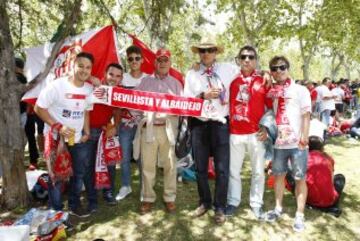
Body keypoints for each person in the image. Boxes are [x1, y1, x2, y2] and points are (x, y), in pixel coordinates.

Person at [184, 37, 238, 224]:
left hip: (221, 123)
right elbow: (186, 100)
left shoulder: (228, 69)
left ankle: (220, 207)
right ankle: (204, 202)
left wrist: (263, 73)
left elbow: (247, 73)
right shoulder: (191, 74)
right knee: (200, 169)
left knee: (222, 169)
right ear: (198, 53)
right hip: (199, 124)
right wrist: (202, 96)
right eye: (202, 50)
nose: (206, 54)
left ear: (216, 52)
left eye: (210, 50)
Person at [34, 52, 94, 217]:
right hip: (55, 138)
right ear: (73, 65)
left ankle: (74, 206)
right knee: (56, 177)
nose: (84, 70)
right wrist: (58, 126)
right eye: (80, 65)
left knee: (78, 173)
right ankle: (56, 212)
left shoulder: (89, 89)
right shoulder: (57, 86)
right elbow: (38, 108)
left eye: (88, 67)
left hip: (77, 139)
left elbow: (86, 112)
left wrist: (87, 131)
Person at [225, 46, 272, 220]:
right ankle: (233, 201)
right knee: (233, 170)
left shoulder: (263, 80)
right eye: (243, 56)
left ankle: (256, 204)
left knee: (258, 171)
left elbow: (271, 108)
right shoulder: (231, 79)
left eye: (251, 57)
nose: (247, 60)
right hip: (235, 132)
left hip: (256, 133)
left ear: (256, 60)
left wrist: (267, 127)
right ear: (238, 59)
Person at [265, 56, 311, 232]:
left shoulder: (300, 90)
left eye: (282, 67)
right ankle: (277, 208)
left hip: (298, 143)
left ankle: (299, 215)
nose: (279, 71)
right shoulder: (271, 91)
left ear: (288, 68)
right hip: (279, 143)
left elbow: (306, 115)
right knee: (278, 176)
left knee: (300, 178)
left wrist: (304, 137)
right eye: (274, 68)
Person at [133, 49, 182, 214]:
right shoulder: (145, 82)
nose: (162, 63)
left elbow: (182, 107)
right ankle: (147, 198)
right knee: (147, 165)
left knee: (170, 165)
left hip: (168, 129)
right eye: (159, 60)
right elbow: (134, 103)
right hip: (150, 129)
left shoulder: (176, 83)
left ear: (170, 63)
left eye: (165, 60)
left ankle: (170, 198)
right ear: (155, 63)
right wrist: (141, 118)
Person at [85, 63, 123, 206]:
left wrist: (115, 126)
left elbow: (117, 111)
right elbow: (75, 74)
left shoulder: (118, 92)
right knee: (88, 166)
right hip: (87, 131)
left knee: (110, 164)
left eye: (118, 76)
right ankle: (92, 198)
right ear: (105, 73)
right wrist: (94, 82)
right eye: (111, 74)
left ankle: (108, 193)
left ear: (121, 79)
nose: (113, 78)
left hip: (104, 131)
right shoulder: (93, 84)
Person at [115, 45, 147, 201]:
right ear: (127, 61)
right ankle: (126, 186)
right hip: (125, 125)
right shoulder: (123, 78)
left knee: (142, 158)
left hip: (143, 125)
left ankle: (143, 188)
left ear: (142, 60)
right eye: (130, 59)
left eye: (137, 58)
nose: (134, 61)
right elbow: (115, 100)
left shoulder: (148, 79)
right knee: (125, 157)